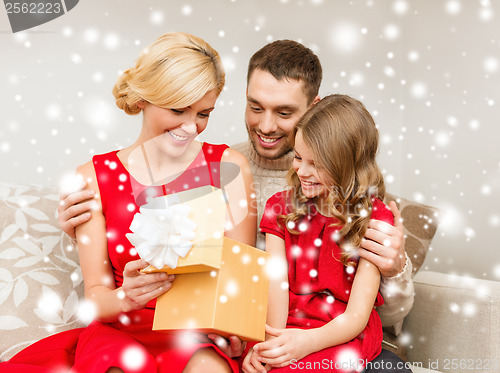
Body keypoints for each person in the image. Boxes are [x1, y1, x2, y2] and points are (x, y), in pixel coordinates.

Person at [58, 40, 414, 369]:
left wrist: (395, 266)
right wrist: (91, 244)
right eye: (255, 106)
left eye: (285, 112)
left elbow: (238, 287)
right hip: (129, 330)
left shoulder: (351, 192)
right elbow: (98, 293)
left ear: (313, 110)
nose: (266, 124)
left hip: (219, 337)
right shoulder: (101, 176)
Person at [2, 32, 255, 373]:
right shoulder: (93, 176)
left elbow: (238, 283)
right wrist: (128, 295)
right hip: (119, 330)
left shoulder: (230, 168)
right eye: (178, 110)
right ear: (142, 100)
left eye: (204, 113)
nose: (191, 127)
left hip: (195, 336)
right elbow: (98, 297)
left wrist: (233, 328)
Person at [243, 94, 412, 373]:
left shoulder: (374, 218)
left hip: (342, 333)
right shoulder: (279, 207)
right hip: (288, 327)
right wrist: (267, 347)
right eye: (298, 157)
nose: (302, 171)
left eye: (317, 164)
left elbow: (357, 316)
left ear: (348, 165)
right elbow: (276, 289)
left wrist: (305, 342)